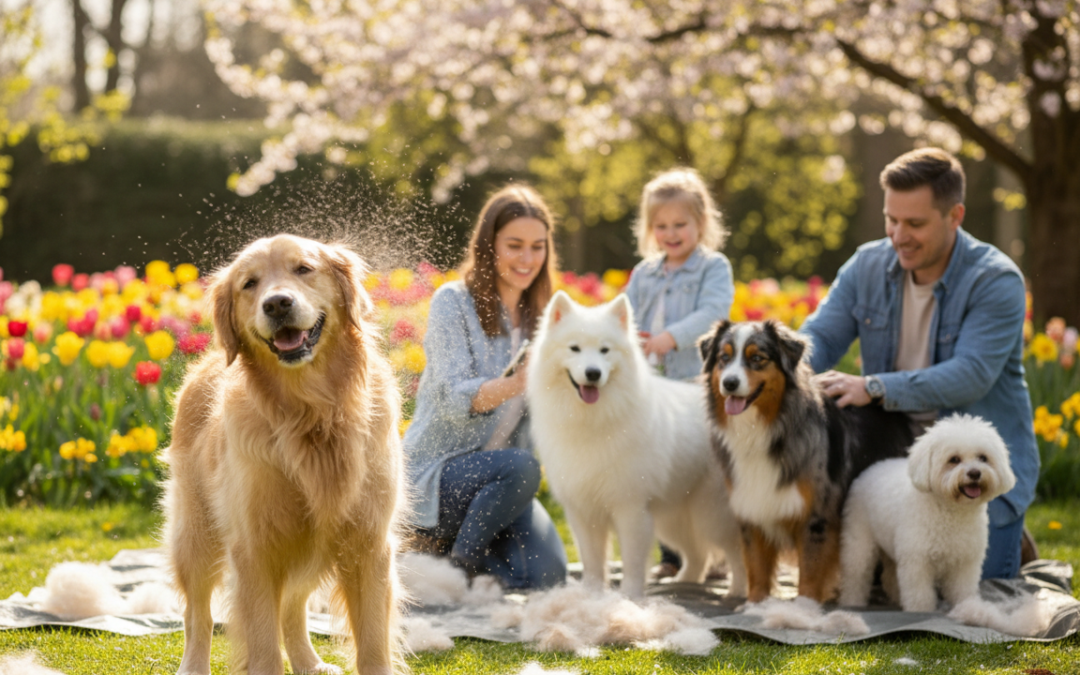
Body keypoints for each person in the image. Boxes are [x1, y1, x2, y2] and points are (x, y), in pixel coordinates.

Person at [800, 147, 1039, 580]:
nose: (898, 235)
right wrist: (774, 364)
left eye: (915, 223)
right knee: (866, 585)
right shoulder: (866, 266)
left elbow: (972, 375)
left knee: (973, 596)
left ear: (955, 216)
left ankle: (1011, 534)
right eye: (891, 220)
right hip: (889, 470)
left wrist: (873, 386)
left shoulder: (996, 280)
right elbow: (819, 337)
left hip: (971, 475)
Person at [403, 185, 567, 590]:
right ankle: (460, 568)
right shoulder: (453, 302)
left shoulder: (543, 318)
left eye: (537, 247)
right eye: (514, 245)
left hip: (503, 487)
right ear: (488, 244)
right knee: (520, 467)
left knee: (546, 576)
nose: (527, 259)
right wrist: (516, 384)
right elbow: (451, 397)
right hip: (439, 475)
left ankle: (437, 552)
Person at [624, 167, 735, 579]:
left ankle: (722, 552)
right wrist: (631, 337)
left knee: (704, 470)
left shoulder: (712, 268)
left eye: (680, 224)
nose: (671, 234)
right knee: (658, 471)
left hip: (692, 387)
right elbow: (626, 313)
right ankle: (673, 556)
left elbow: (713, 314)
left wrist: (669, 338)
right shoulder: (644, 273)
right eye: (661, 226)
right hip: (653, 390)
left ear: (701, 223)